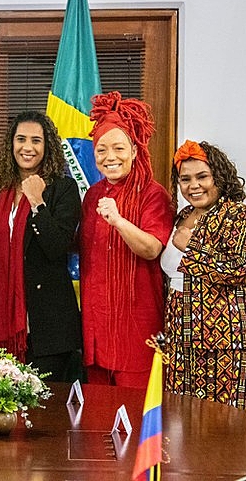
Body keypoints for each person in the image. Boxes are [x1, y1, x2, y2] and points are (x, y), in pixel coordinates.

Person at [161, 139, 246, 422]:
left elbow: (245, 268)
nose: (194, 186)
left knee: (233, 425)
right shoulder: (182, 216)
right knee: (189, 423)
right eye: (185, 179)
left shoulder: (241, 216)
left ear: (219, 177)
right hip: (185, 339)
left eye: (202, 176)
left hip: (232, 340)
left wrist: (192, 247)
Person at [0, 110, 82, 381]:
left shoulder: (63, 188)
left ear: (48, 146)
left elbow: (58, 246)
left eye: (36, 140)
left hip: (47, 326)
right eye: (21, 139)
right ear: (11, 144)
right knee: (1, 400)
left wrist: (37, 202)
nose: (27, 147)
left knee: (46, 404)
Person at [79, 91, 174, 388]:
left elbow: (152, 248)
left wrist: (119, 221)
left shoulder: (153, 194)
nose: (110, 157)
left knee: (136, 411)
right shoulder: (93, 195)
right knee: (97, 412)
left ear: (134, 150)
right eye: (101, 150)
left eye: (119, 148)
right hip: (96, 328)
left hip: (136, 331)